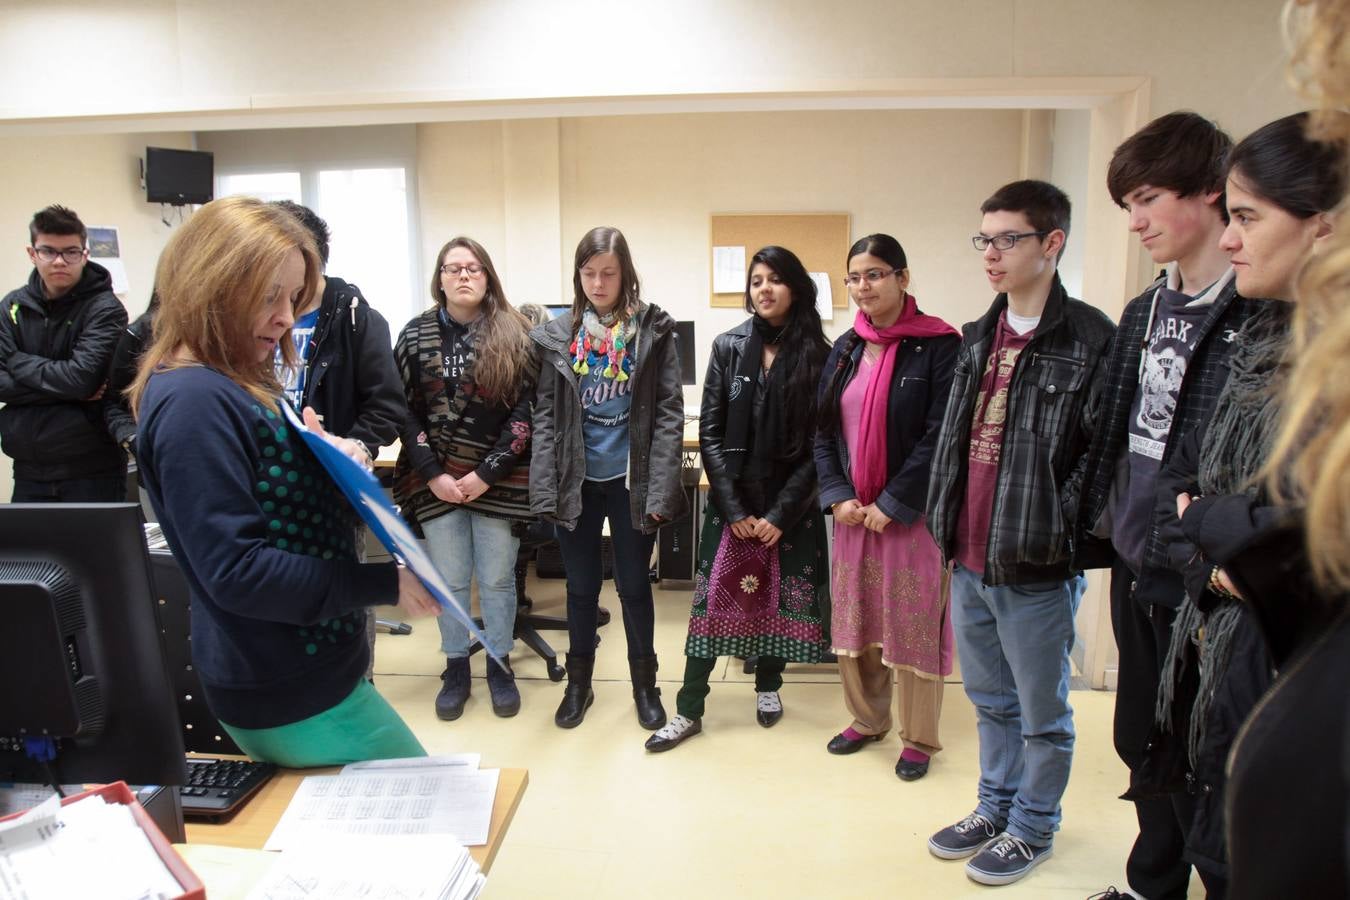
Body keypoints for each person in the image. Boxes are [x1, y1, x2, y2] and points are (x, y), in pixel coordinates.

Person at [128, 196, 441, 767]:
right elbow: (239, 572)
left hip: (309, 668)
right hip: (286, 683)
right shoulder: (195, 402)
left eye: (292, 298)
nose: (283, 316)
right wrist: (385, 583)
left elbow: (269, 492)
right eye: (269, 296)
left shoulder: (226, 382)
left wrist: (323, 453)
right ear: (212, 285)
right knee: (433, 820)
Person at [1150, 111, 1346, 899]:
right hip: (1217, 637)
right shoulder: (1254, 336)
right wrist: (1214, 546)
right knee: (1213, 830)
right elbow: (1177, 487)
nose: (1230, 240)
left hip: (1290, 670)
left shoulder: (1331, 370)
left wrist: (1214, 525)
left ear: (1324, 228)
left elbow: (1311, 541)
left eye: (1246, 217)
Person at [1074, 111, 1258, 900]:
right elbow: (1110, 436)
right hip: (1135, 547)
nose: (1137, 221)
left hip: (1203, 571)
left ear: (1211, 195)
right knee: (1137, 731)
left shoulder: (1259, 313)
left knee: (1199, 743)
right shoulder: (1144, 312)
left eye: (1148, 198)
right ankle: (1151, 883)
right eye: (1127, 204)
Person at [925, 180, 1115, 886]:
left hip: (1035, 565)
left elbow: (1100, 464)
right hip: (969, 556)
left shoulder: (1092, 341)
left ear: (1052, 243)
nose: (992, 254)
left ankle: (1034, 825)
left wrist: (1058, 535)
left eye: (1008, 239)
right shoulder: (978, 336)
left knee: (1042, 713)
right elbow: (953, 443)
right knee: (988, 701)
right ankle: (994, 805)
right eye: (985, 239)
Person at [644, 246, 832, 752]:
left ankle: (769, 687)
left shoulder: (820, 352)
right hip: (734, 505)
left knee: (778, 600)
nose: (764, 289)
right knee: (713, 605)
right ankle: (688, 710)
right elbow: (710, 430)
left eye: (774, 279)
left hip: (791, 508)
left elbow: (822, 443)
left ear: (795, 287)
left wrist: (779, 515)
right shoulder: (729, 346)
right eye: (756, 281)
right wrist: (734, 510)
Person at [812, 234, 959, 782]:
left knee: (914, 625)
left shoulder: (940, 345)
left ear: (902, 277)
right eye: (854, 277)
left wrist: (893, 502)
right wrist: (838, 495)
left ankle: (918, 737)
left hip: (911, 519)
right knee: (858, 619)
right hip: (854, 515)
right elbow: (823, 429)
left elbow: (940, 434)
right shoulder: (846, 347)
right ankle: (866, 719)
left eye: (874, 274)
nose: (862, 287)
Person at [530, 225, 688, 731]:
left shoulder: (651, 331)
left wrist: (662, 487)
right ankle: (579, 685)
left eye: (609, 273)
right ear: (578, 276)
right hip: (576, 479)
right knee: (579, 589)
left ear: (626, 276)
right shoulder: (559, 335)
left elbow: (668, 413)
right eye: (589, 273)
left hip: (629, 481)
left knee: (634, 587)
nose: (598, 283)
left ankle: (646, 687)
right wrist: (544, 486)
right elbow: (544, 417)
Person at [394, 236, 535, 720]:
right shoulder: (413, 336)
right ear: (439, 279)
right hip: (436, 482)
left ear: (488, 275)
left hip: (499, 479)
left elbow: (527, 411)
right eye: (453, 269)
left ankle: (499, 663)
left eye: (473, 268)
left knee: (496, 580)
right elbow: (404, 412)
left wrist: (486, 473)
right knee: (450, 579)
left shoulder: (516, 333)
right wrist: (433, 475)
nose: (463, 276)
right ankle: (456, 665)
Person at [0, 205, 128, 502]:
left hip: (91, 470)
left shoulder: (105, 309)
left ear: (85, 254)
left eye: (70, 252)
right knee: (31, 550)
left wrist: (17, 363)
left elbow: (81, 380)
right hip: (29, 469)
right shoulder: (11, 307)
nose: (59, 261)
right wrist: (68, 387)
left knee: (94, 550)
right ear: (32, 254)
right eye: (48, 251)